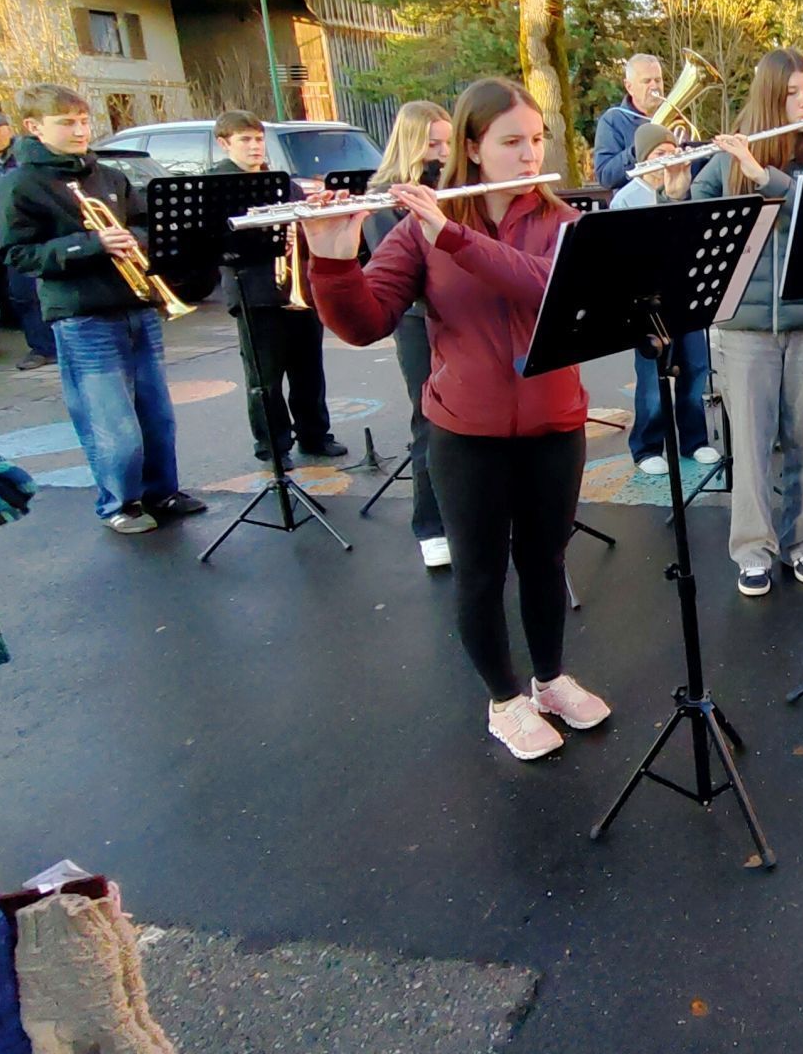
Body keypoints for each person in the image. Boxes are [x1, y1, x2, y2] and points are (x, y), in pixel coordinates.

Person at [302, 77, 606, 763]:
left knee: (546, 561)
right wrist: (332, 258)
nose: (530, 155)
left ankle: (550, 680)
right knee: (479, 573)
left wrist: (457, 238)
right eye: (512, 141)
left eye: (537, 140)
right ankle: (505, 700)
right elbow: (364, 321)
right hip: (466, 434)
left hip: (554, 426)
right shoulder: (420, 228)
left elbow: (547, 287)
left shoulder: (563, 222)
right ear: (472, 147)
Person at [0, 84, 207, 534]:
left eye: (83, 121)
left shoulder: (108, 176)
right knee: (112, 423)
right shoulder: (19, 184)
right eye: (66, 123)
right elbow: (17, 254)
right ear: (34, 127)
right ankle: (119, 504)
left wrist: (138, 240)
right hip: (82, 315)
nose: (80, 131)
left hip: (137, 305)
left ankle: (162, 492)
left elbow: (144, 224)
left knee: (157, 415)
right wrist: (90, 244)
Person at [691, 49, 803, 596]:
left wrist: (767, 179)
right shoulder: (730, 160)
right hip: (746, 326)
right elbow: (696, 220)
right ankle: (752, 551)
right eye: (791, 93)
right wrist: (677, 191)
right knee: (752, 447)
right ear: (769, 99)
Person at [209, 111, 346, 469]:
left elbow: (304, 228)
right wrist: (268, 237)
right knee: (265, 378)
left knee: (309, 370)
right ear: (224, 144)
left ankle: (315, 434)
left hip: (296, 288)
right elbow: (215, 240)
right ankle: (273, 445)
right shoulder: (216, 187)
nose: (255, 146)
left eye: (258, 139)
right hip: (254, 292)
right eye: (245, 140)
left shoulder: (283, 182)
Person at [363, 100, 452, 569]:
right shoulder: (384, 198)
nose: (443, 154)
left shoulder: (455, 185)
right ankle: (431, 526)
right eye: (433, 145)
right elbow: (395, 270)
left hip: (459, 316)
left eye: (448, 143)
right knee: (429, 418)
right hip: (417, 320)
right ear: (412, 144)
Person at [611, 121, 719, 478]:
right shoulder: (626, 198)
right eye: (660, 154)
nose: (669, 160)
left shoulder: (687, 190)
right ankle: (646, 447)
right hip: (647, 304)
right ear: (644, 159)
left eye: (673, 153)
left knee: (696, 369)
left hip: (685, 296)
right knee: (651, 381)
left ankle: (694, 440)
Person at [0, 105, 58, 370]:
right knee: (22, 294)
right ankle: (42, 348)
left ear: (8, 129)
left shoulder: (30, 151)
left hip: (45, 231)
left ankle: (65, 344)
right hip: (12, 235)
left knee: (53, 290)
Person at [592, 54, 665, 191]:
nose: (654, 86)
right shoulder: (612, 120)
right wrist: (638, 150)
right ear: (629, 86)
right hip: (635, 201)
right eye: (646, 81)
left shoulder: (675, 117)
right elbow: (605, 176)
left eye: (658, 80)